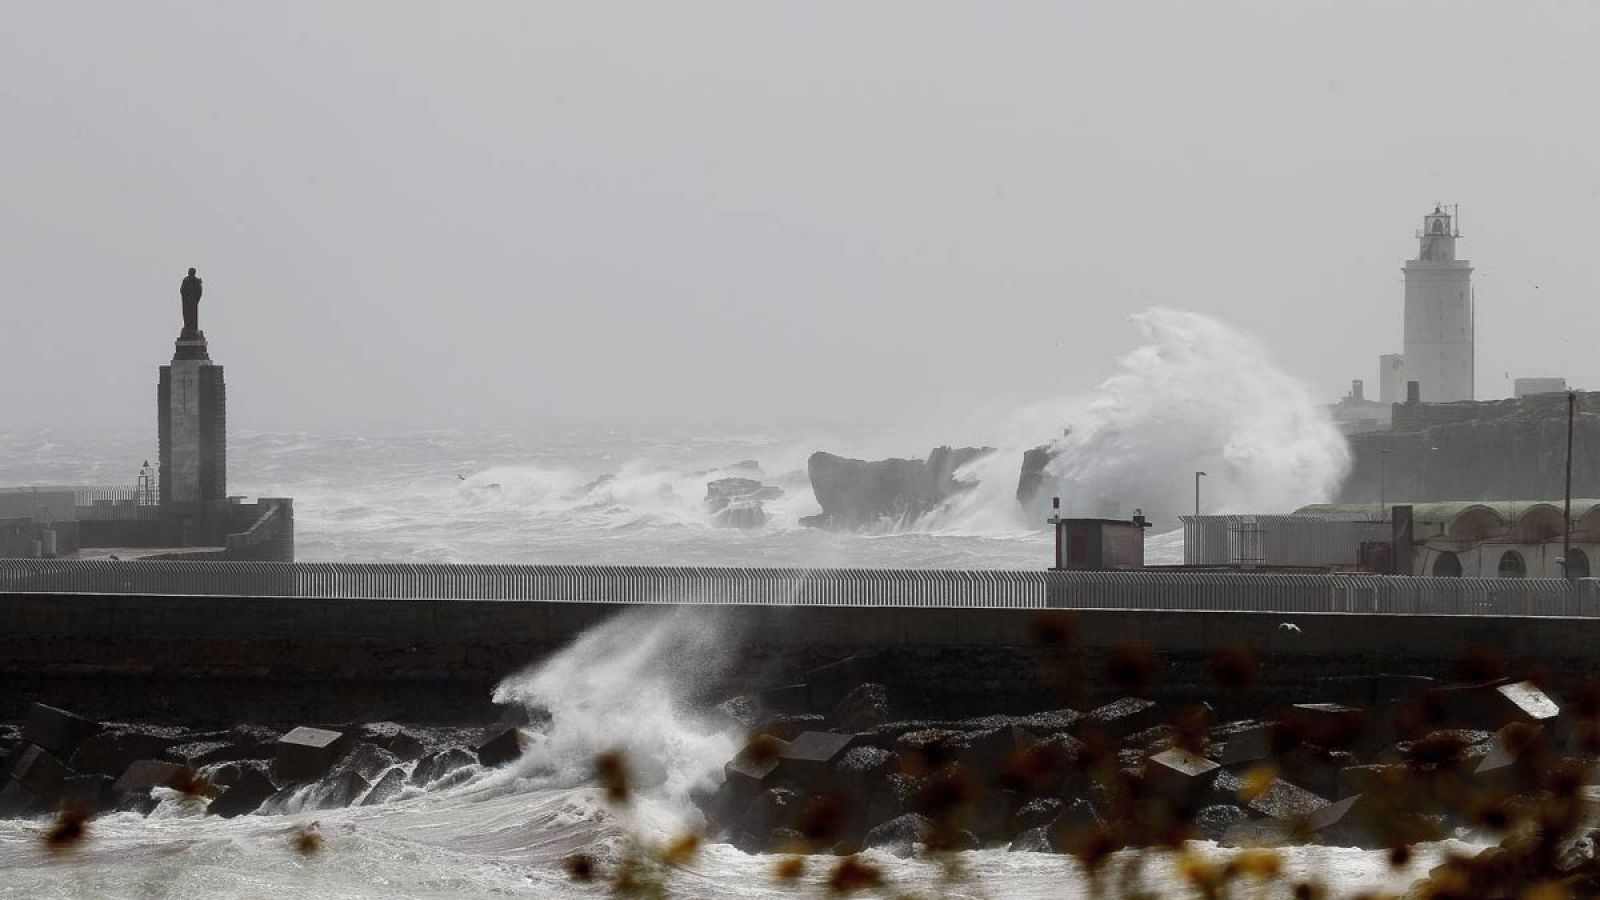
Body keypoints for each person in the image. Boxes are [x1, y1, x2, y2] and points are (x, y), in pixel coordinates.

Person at [180, 267, 203, 336]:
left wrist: (196, 299)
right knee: (187, 315)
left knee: (192, 316)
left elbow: (199, 291)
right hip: (187, 302)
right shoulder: (186, 280)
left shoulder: (195, 281)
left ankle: (193, 329)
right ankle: (188, 327)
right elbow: (182, 290)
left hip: (192, 303)